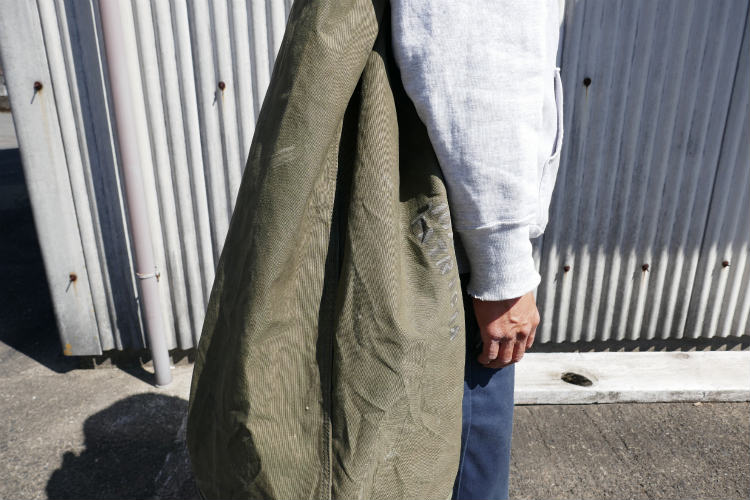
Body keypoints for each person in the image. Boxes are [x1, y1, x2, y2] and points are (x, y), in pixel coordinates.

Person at [390, 1, 565, 498]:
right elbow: (473, 64)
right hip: (451, 255)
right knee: (463, 475)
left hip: (430, 227)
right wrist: (502, 267)